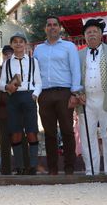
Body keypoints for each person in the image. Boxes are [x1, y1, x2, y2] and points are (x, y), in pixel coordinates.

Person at [73, 19, 107, 175]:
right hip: (86, 102)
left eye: (95, 31)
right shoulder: (78, 55)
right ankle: (91, 171)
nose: (91, 34)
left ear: (101, 34)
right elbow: (74, 79)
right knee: (86, 137)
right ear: (84, 36)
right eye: (88, 32)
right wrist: (77, 95)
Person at [33, 16, 82, 175]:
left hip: (64, 93)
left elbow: (75, 70)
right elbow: (35, 73)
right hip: (45, 95)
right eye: (49, 25)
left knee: (67, 131)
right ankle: (53, 169)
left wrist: (75, 93)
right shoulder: (38, 49)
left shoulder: (69, 47)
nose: (52, 27)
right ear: (45, 28)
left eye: (55, 25)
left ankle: (69, 168)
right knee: (49, 133)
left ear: (59, 28)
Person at [0, 32, 42, 175]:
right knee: (16, 133)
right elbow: (0, 84)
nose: (18, 44)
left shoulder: (32, 61)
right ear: (11, 45)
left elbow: (39, 83)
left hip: (29, 97)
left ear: (25, 44)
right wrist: (7, 87)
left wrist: (34, 95)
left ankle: (33, 166)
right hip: (14, 98)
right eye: (15, 41)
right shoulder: (7, 63)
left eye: (21, 41)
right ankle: (20, 167)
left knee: (31, 133)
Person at [0, 45, 14, 175]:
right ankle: (5, 170)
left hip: (18, 109)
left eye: (10, 53)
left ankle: (22, 168)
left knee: (20, 140)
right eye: (5, 54)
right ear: (3, 55)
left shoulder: (19, 69)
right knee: (4, 141)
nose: (8, 56)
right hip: (1, 109)